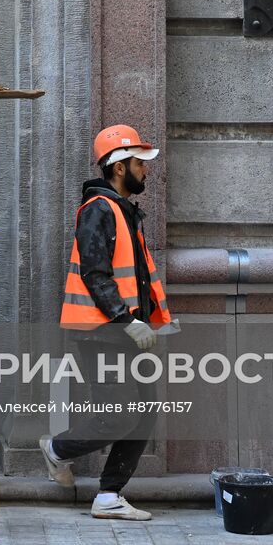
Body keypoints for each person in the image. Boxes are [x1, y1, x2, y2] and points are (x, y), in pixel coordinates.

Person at [39, 124, 174, 521]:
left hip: (127, 332)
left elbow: (137, 278)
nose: (145, 171)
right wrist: (127, 320)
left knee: (144, 412)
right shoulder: (99, 209)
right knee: (117, 414)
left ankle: (109, 496)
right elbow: (96, 275)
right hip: (104, 333)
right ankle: (56, 450)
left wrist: (149, 322)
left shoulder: (124, 211)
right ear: (118, 167)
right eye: (138, 163)